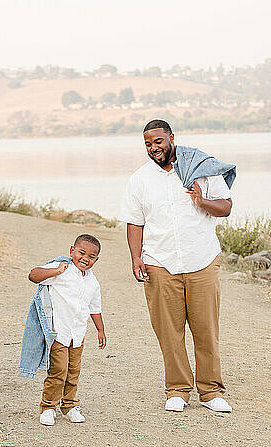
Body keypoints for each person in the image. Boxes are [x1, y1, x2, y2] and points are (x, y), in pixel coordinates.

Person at [119, 119, 233, 413]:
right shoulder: (140, 179)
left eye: (157, 141)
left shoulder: (200, 169)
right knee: (168, 331)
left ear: (171, 137)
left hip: (201, 261)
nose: (153, 148)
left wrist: (202, 201)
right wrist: (136, 257)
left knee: (206, 329)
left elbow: (226, 206)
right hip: (159, 263)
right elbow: (135, 222)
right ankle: (178, 390)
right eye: (147, 144)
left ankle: (210, 392)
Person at [27, 234, 106, 426]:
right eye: (81, 253)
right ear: (72, 251)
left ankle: (70, 406)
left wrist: (100, 330)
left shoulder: (92, 283)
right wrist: (54, 271)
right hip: (59, 333)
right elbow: (33, 275)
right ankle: (48, 407)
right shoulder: (61, 271)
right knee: (58, 370)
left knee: (73, 371)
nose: (85, 258)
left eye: (92, 256)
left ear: (96, 260)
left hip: (77, 335)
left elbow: (94, 308)